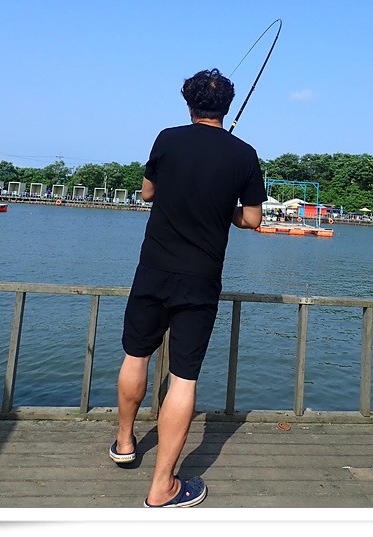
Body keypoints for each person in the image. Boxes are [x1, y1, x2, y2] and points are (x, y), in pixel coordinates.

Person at [109, 68, 265, 508]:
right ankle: (163, 487)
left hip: (152, 269)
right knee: (183, 377)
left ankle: (125, 443)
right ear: (227, 107)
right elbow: (252, 219)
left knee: (135, 355)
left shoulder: (167, 139)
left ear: (190, 104)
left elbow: (147, 193)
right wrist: (224, 207)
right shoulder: (245, 154)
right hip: (201, 278)